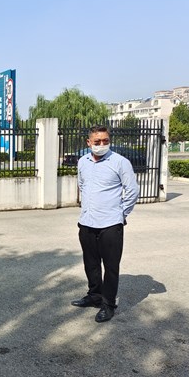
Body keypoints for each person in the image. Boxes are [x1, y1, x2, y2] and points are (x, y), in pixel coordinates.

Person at [71, 125, 140, 323]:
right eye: (97, 141)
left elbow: (132, 191)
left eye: (105, 141)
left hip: (110, 224)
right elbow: (82, 185)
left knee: (110, 266)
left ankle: (108, 304)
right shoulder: (83, 161)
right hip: (87, 222)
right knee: (91, 263)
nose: (101, 144)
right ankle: (94, 296)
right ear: (88, 142)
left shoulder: (120, 162)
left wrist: (120, 214)